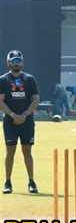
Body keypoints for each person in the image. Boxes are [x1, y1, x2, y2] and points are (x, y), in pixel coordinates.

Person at [0, 50, 40, 194]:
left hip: (27, 121)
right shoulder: (3, 80)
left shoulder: (29, 79)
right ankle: (8, 182)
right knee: (10, 152)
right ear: (8, 63)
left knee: (27, 151)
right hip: (10, 122)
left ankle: (31, 182)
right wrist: (12, 115)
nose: (16, 64)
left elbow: (36, 100)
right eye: (13, 61)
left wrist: (25, 114)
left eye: (18, 61)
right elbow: (1, 101)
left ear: (22, 62)